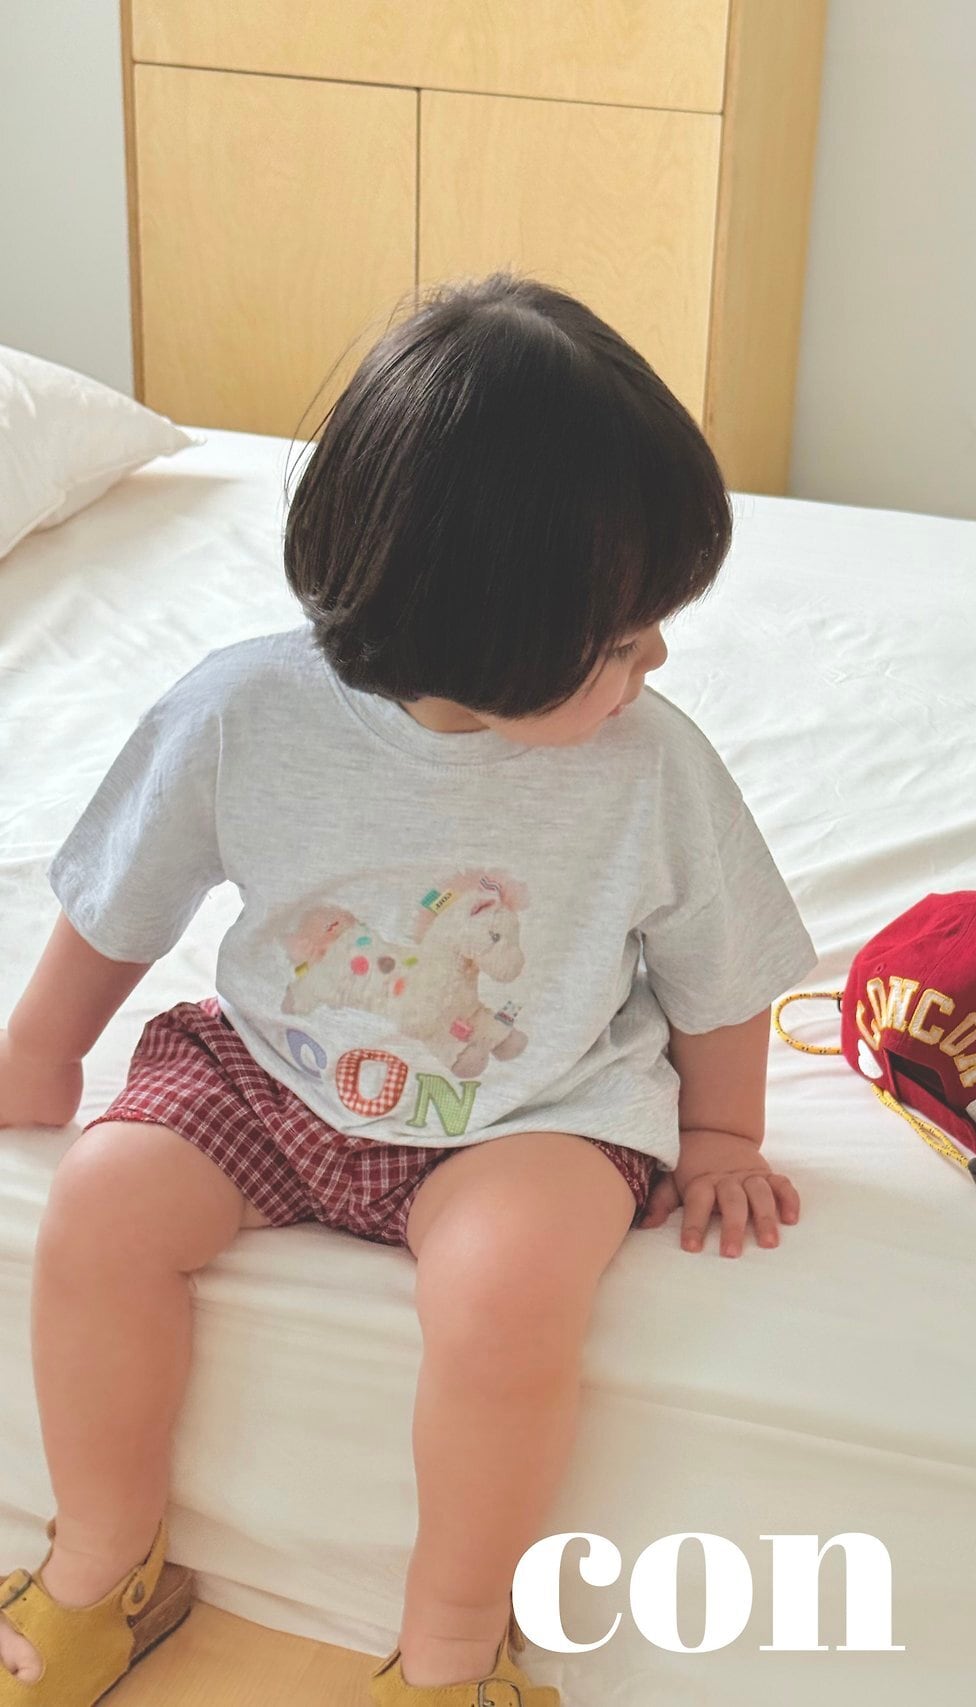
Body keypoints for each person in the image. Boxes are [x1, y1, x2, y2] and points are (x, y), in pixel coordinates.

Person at [0, 272, 818, 1705]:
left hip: (530, 1109)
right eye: (622, 640)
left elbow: (722, 963)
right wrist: (39, 1054)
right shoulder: (243, 710)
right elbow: (121, 895)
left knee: (508, 1298)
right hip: (271, 1071)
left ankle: (449, 1647)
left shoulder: (652, 769)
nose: (658, 661)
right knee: (99, 1208)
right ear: (485, 629)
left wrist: (723, 1134)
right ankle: (104, 1561)